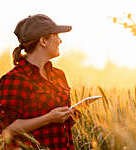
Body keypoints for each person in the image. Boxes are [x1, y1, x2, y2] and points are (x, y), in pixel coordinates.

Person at [0, 14, 79, 149]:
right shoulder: (14, 80)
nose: (60, 41)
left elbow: (63, 126)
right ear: (43, 41)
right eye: (56, 35)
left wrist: (71, 115)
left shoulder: (59, 75)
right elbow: (5, 130)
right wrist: (48, 118)